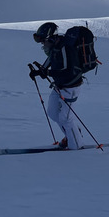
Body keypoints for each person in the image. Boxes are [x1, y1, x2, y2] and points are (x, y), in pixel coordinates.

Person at [30, 21, 89, 149]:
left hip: (71, 87)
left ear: (50, 37)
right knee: (52, 112)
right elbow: (50, 59)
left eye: (43, 41)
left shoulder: (65, 48)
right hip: (60, 86)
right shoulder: (55, 47)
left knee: (66, 119)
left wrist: (49, 72)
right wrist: (39, 71)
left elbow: (68, 71)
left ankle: (77, 147)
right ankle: (73, 134)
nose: (42, 44)